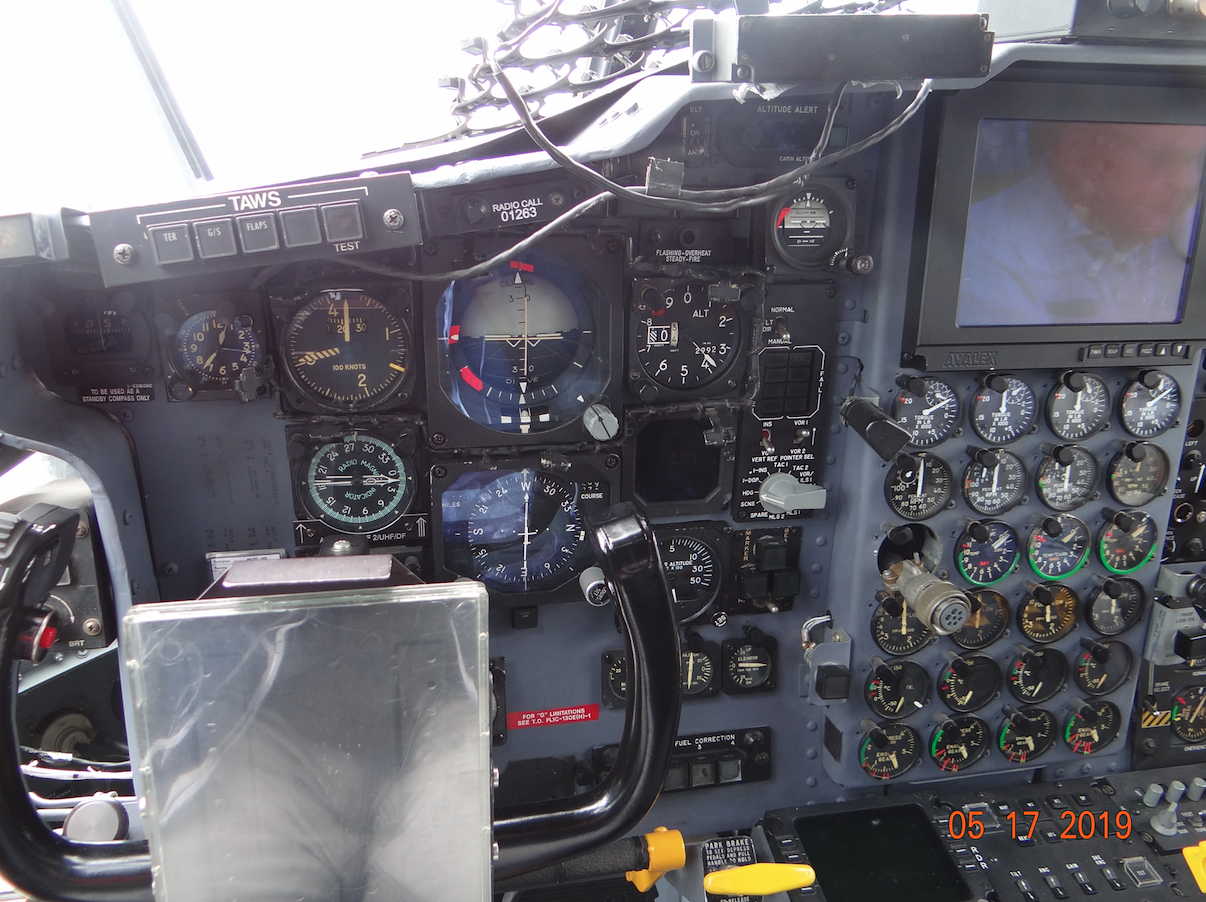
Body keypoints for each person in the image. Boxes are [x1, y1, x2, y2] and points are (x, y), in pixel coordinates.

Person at [956, 121, 1206, 326]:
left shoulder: (1190, 224)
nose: (1185, 182)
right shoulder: (985, 252)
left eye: (1196, 159)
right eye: (1162, 158)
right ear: (1081, 149)